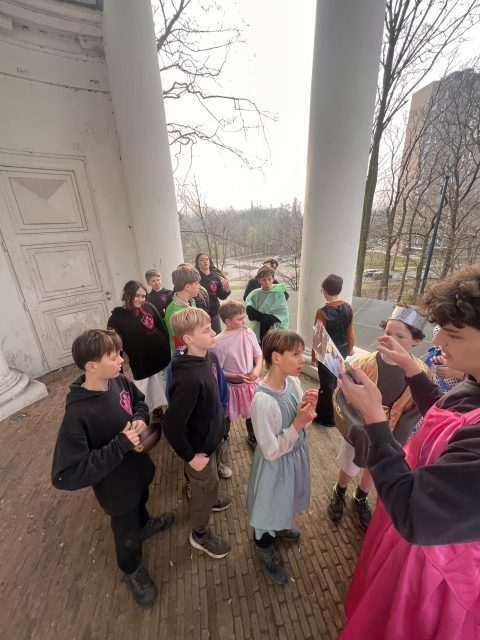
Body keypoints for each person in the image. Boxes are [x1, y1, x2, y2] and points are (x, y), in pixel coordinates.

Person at [337, 263, 480, 640]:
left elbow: (416, 514)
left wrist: (375, 419)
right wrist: (410, 369)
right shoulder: (474, 382)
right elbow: (445, 414)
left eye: (452, 333)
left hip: (436, 562)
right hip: (408, 519)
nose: (438, 340)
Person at [51, 329, 174, 607]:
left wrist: (140, 418)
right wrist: (119, 446)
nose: (121, 359)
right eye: (114, 356)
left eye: (120, 353)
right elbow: (66, 474)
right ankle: (131, 569)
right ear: (91, 366)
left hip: (136, 472)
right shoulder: (77, 414)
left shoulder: (118, 380)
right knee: (125, 531)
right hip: (116, 489)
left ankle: (145, 523)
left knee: (141, 500)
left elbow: (139, 402)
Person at [328, 306, 429, 531]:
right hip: (360, 430)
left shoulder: (421, 372)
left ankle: (361, 495)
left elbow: (417, 408)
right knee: (350, 461)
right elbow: (343, 395)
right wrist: (358, 426)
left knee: (377, 467)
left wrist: (399, 433)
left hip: (392, 434)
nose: (390, 339)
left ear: (416, 341)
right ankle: (340, 489)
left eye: (400, 336)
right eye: (388, 332)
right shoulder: (363, 364)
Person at [246, 329, 317, 584]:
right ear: (276, 357)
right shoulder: (263, 401)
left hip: (292, 458)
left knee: (284, 498)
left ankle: (281, 523)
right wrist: (298, 423)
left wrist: (305, 410)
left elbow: (300, 420)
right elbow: (270, 450)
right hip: (275, 466)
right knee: (269, 506)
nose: (302, 359)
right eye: (295, 354)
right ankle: (264, 545)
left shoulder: (293, 382)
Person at [163, 307, 232, 559]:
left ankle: (208, 498)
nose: (213, 333)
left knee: (210, 482)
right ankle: (200, 533)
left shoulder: (207, 357)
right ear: (188, 339)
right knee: (204, 485)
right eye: (206, 330)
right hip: (199, 448)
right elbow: (171, 425)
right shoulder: (189, 379)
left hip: (211, 438)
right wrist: (190, 457)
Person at [107, 281, 171, 419]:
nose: (141, 299)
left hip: (163, 357)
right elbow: (115, 347)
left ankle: (169, 410)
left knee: (166, 387)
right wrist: (119, 374)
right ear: (127, 295)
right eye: (137, 295)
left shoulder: (149, 307)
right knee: (151, 393)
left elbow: (161, 328)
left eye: (143, 296)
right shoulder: (116, 318)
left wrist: (170, 349)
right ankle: (156, 412)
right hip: (143, 364)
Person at [215, 300, 263, 450]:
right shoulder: (218, 342)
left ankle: (253, 436)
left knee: (252, 413)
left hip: (250, 384)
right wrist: (236, 376)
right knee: (226, 415)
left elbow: (258, 354)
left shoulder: (248, 333)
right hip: (230, 388)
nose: (244, 321)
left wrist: (256, 370)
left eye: (244, 317)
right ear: (228, 321)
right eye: (240, 319)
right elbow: (218, 370)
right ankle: (223, 436)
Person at [311, 274, 355, 427]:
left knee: (326, 385)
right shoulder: (348, 308)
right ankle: (334, 413)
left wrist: (314, 357)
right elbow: (350, 333)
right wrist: (350, 349)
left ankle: (326, 418)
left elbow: (318, 338)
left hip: (327, 352)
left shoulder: (322, 312)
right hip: (342, 349)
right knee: (335, 383)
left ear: (324, 291)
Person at [245, 265, 289, 343]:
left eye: (269, 279)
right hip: (259, 323)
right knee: (251, 310)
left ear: (273, 279)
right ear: (259, 281)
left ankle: (265, 342)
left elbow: (282, 311)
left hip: (274, 323)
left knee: (267, 320)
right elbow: (250, 310)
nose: (267, 282)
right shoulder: (255, 293)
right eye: (264, 280)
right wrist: (262, 317)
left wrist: (267, 318)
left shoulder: (279, 293)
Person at [164, 265, 201, 352]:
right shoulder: (174, 311)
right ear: (187, 287)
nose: (199, 286)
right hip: (185, 354)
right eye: (197, 283)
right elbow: (178, 342)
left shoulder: (192, 302)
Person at [194, 253, 231, 334]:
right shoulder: (195, 278)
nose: (205, 261)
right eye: (202, 260)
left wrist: (227, 290)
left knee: (217, 335)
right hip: (200, 313)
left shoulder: (215, 277)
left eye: (206, 259)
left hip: (214, 313)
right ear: (197, 263)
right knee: (203, 335)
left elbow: (221, 296)